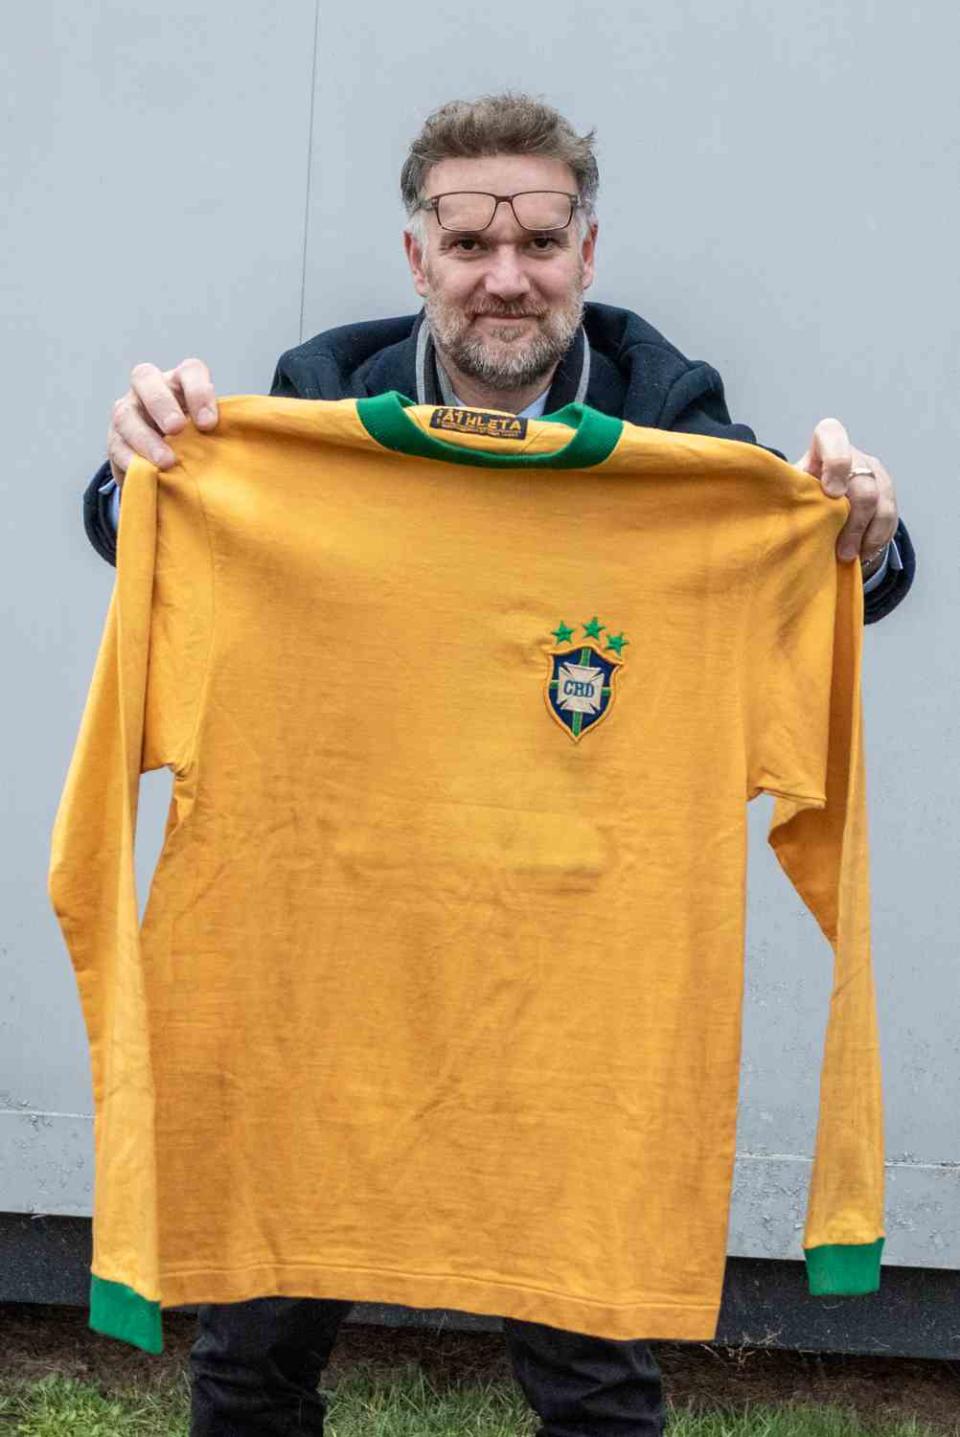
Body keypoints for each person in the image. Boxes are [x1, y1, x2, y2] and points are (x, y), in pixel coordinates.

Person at [78, 93, 914, 1436]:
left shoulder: (680, 430)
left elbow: (822, 588)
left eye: (539, 238)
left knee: (594, 1384)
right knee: (251, 1359)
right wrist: (140, 469)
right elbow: (158, 551)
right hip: (332, 987)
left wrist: (861, 531)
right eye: (470, 242)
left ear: (590, 251)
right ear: (419, 258)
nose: (505, 275)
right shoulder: (316, 405)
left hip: (569, 1010)